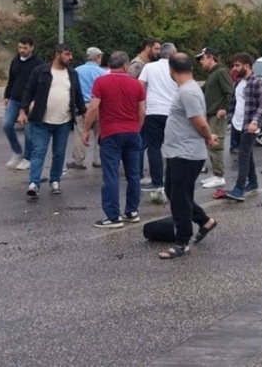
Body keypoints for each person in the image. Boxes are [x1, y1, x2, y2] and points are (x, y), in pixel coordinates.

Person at [158, 53, 219, 260]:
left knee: (180, 200)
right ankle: (204, 221)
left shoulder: (188, 92)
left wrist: (208, 136)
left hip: (186, 154)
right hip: (179, 152)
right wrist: (207, 135)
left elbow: (199, 122)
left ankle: (182, 243)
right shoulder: (188, 89)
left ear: (171, 70)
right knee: (174, 192)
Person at [82, 52, 146, 228]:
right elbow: (142, 111)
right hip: (132, 132)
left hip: (111, 133)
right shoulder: (136, 84)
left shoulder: (101, 82)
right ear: (126, 65)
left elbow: (93, 108)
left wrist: (86, 130)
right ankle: (132, 211)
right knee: (133, 174)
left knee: (111, 174)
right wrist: (137, 128)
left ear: (110, 65)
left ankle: (113, 216)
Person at [19, 43, 87, 197]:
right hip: (41, 121)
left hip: (64, 122)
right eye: (67, 54)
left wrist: (84, 113)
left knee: (59, 153)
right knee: (39, 152)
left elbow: (78, 95)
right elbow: (29, 91)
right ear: (57, 54)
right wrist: (23, 111)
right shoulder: (41, 71)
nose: (70, 57)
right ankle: (34, 183)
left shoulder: (72, 74)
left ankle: (55, 180)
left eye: (71, 54)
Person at [224, 53, 262, 201]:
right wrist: (229, 116)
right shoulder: (239, 82)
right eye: (233, 65)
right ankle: (253, 182)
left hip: (250, 125)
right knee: (247, 154)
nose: (234, 68)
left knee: (243, 156)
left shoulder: (257, 83)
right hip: (238, 124)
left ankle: (239, 189)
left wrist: (255, 122)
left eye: (237, 65)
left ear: (247, 66)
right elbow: (235, 102)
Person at [138, 42, 178, 191]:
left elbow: (140, 85)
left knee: (153, 147)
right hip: (172, 112)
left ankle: (157, 181)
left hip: (153, 111)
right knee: (173, 146)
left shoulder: (149, 67)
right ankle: (173, 180)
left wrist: (143, 102)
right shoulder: (176, 68)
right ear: (172, 53)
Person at [3, 36, 44, 170]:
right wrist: (7, 95)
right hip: (15, 99)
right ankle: (17, 152)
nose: (21, 50)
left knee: (28, 131)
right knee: (7, 125)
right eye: (20, 47)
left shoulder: (38, 63)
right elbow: (11, 79)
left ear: (31, 48)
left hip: (30, 102)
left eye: (25, 48)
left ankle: (28, 158)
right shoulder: (15, 60)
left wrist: (35, 100)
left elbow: (41, 84)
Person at [196, 47, 234, 189]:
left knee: (216, 145)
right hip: (211, 114)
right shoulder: (213, 73)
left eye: (202, 58)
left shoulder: (221, 72)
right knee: (211, 144)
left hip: (217, 115)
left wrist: (224, 108)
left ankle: (219, 176)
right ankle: (215, 174)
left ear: (211, 57)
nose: (200, 61)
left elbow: (230, 91)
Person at [68, 47, 107, 169]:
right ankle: (98, 159)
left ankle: (78, 161)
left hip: (81, 106)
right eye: (100, 56)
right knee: (99, 133)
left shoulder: (77, 70)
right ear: (97, 57)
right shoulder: (102, 72)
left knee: (80, 132)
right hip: (98, 105)